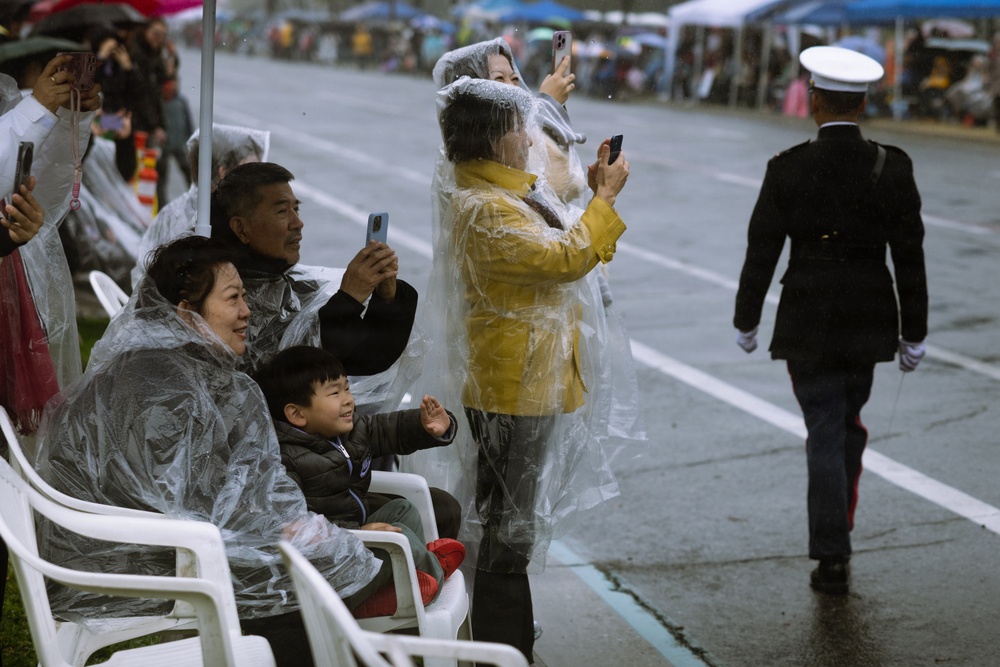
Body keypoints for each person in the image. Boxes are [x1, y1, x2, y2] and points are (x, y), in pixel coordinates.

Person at [35, 235, 381, 667]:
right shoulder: (163, 387)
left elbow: (221, 492)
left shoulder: (183, 371)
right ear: (185, 314)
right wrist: (307, 533)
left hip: (153, 543)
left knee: (332, 562)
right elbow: (201, 505)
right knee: (325, 578)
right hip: (132, 564)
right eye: (233, 298)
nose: (247, 311)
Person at [432, 76, 631, 660]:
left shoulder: (512, 193)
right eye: (520, 128)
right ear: (496, 140)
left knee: (510, 529)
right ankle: (503, 647)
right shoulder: (483, 205)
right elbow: (565, 258)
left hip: (531, 381)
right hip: (511, 390)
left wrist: (593, 200)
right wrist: (606, 202)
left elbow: (577, 245)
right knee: (506, 538)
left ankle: (509, 640)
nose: (528, 138)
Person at [733, 46, 928, 596]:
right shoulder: (893, 165)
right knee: (846, 425)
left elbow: (761, 250)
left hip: (807, 316)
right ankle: (837, 534)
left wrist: (746, 318)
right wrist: (915, 331)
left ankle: (831, 551)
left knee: (825, 426)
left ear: (813, 101)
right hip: (870, 315)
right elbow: (910, 255)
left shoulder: (788, 167)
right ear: (863, 102)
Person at [254, 344, 466, 610]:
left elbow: (392, 429)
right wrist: (350, 534)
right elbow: (292, 528)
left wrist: (426, 428)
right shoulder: (284, 459)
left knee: (402, 510)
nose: (348, 400)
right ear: (297, 414)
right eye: (334, 393)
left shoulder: (353, 430)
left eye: (347, 388)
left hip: (356, 533)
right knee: (399, 542)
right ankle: (425, 579)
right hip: (330, 565)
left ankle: (414, 574)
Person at [208, 162, 419, 395]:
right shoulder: (217, 295)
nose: (297, 224)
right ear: (241, 228)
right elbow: (286, 382)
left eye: (296, 210)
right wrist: (348, 301)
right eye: (281, 211)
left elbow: (367, 357)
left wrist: (387, 298)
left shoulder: (298, 287)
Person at [130, 122, 269, 290]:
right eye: (250, 168)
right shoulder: (205, 220)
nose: (258, 178)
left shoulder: (178, 211)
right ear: (223, 172)